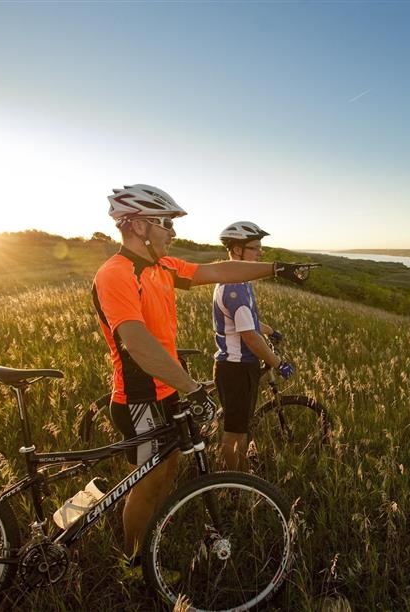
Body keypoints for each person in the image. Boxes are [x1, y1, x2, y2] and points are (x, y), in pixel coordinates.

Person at [92, 184, 314, 566]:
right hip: (140, 397)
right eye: (166, 224)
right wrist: (192, 387)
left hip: (166, 392)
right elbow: (137, 343)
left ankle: (150, 545)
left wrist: (276, 268)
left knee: (166, 477)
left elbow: (218, 270)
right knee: (146, 487)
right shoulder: (117, 274)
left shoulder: (162, 266)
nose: (173, 233)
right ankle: (132, 563)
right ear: (141, 227)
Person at [213, 221, 294, 471]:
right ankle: (235, 484)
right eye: (255, 248)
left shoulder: (240, 280)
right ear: (237, 250)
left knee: (240, 427)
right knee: (234, 432)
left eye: (261, 248)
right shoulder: (235, 288)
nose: (261, 253)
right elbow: (249, 335)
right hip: (236, 368)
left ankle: (241, 474)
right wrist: (278, 363)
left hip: (237, 366)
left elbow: (251, 322)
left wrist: (271, 330)